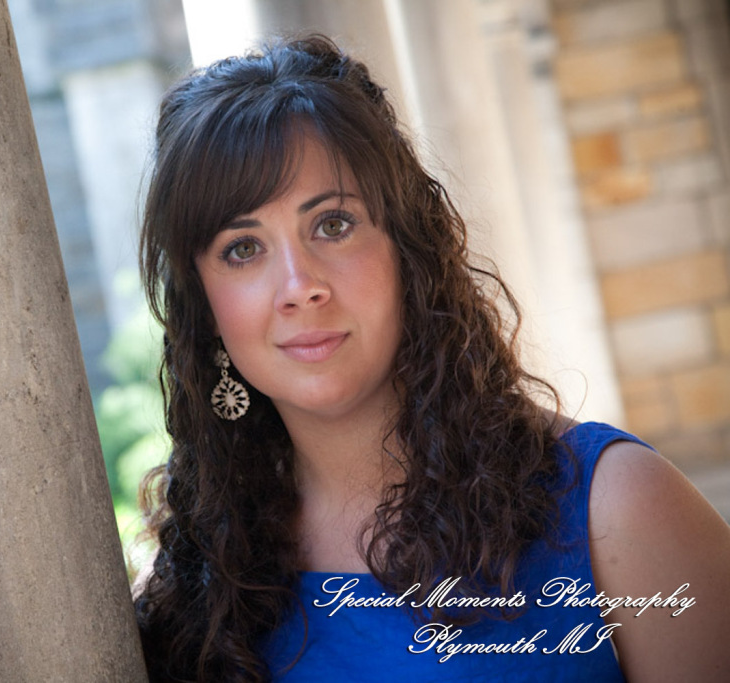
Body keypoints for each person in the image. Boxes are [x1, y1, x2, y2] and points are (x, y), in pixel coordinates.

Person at [133, 34, 730, 682]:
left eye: (332, 224)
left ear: (407, 249)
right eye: (243, 249)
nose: (299, 286)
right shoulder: (200, 580)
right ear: (204, 306)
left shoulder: (617, 508)